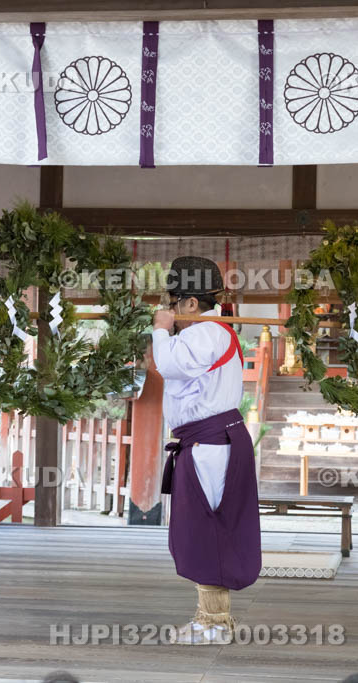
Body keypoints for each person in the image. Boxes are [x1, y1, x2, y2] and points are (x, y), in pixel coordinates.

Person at [152, 256, 261, 645]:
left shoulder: (206, 333)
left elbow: (169, 366)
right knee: (203, 527)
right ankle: (210, 619)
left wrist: (161, 331)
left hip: (209, 445)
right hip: (206, 442)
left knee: (207, 528)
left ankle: (213, 624)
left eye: (173, 303)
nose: (170, 311)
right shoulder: (208, 333)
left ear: (191, 303)